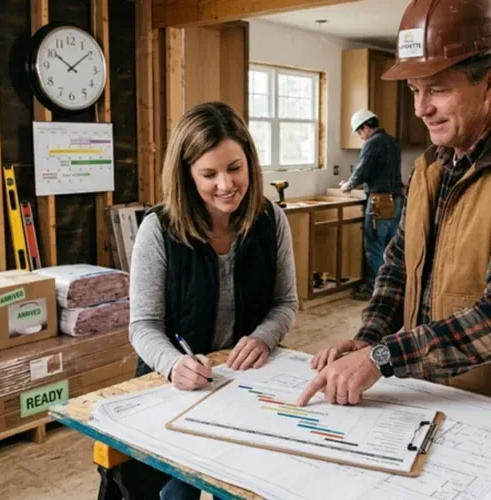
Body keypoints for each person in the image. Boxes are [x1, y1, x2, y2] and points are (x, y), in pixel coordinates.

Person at [298, 0, 491, 408]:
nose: (421, 108)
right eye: (415, 90)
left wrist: (383, 357)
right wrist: (368, 340)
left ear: (488, 85)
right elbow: (398, 267)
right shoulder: (429, 169)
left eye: (438, 89)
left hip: (480, 408)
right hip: (426, 393)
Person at [129, 101, 299, 499]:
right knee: (178, 490)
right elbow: (143, 325)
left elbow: (285, 303)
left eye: (234, 168)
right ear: (187, 176)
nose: (226, 185)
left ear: (249, 162)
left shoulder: (271, 220)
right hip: (175, 389)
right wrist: (174, 365)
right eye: (209, 174)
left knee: (251, 481)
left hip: (248, 384)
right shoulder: (158, 229)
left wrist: (263, 338)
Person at [340, 109, 404, 300]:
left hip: (379, 201)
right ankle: (392, 291)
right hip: (396, 200)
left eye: (360, 132)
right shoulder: (392, 141)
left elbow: (362, 170)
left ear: (366, 127)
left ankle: (376, 291)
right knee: (391, 248)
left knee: (374, 246)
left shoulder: (372, 143)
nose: (360, 137)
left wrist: (347, 186)